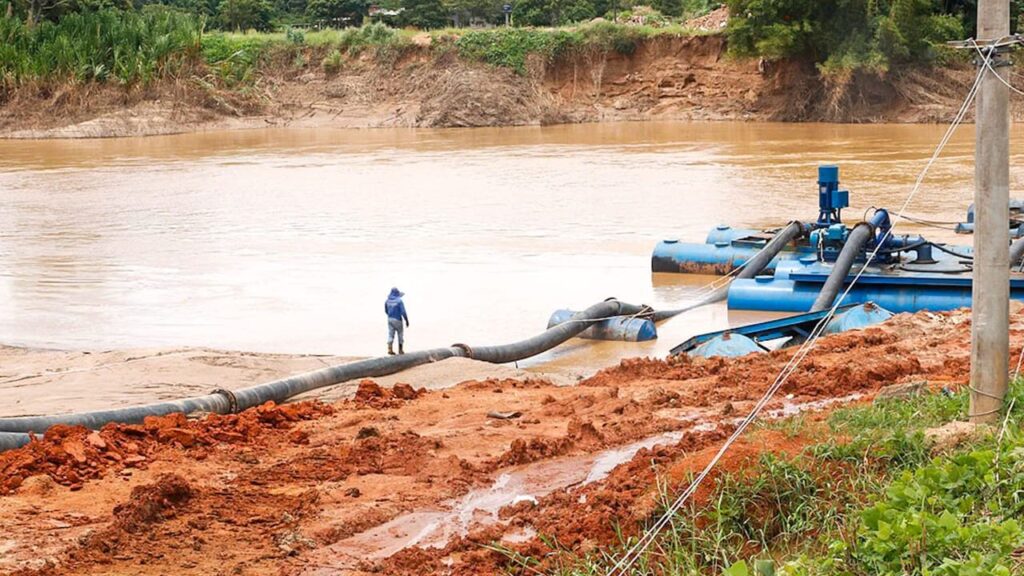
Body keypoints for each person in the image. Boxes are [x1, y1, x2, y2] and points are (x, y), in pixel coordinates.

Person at [384, 287, 409, 355]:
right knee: (400, 334)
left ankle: (390, 349)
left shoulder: (387, 301)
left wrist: (390, 315)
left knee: (390, 334)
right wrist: (406, 320)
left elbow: (386, 311)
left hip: (390, 319)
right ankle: (400, 350)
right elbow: (403, 312)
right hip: (398, 320)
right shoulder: (399, 301)